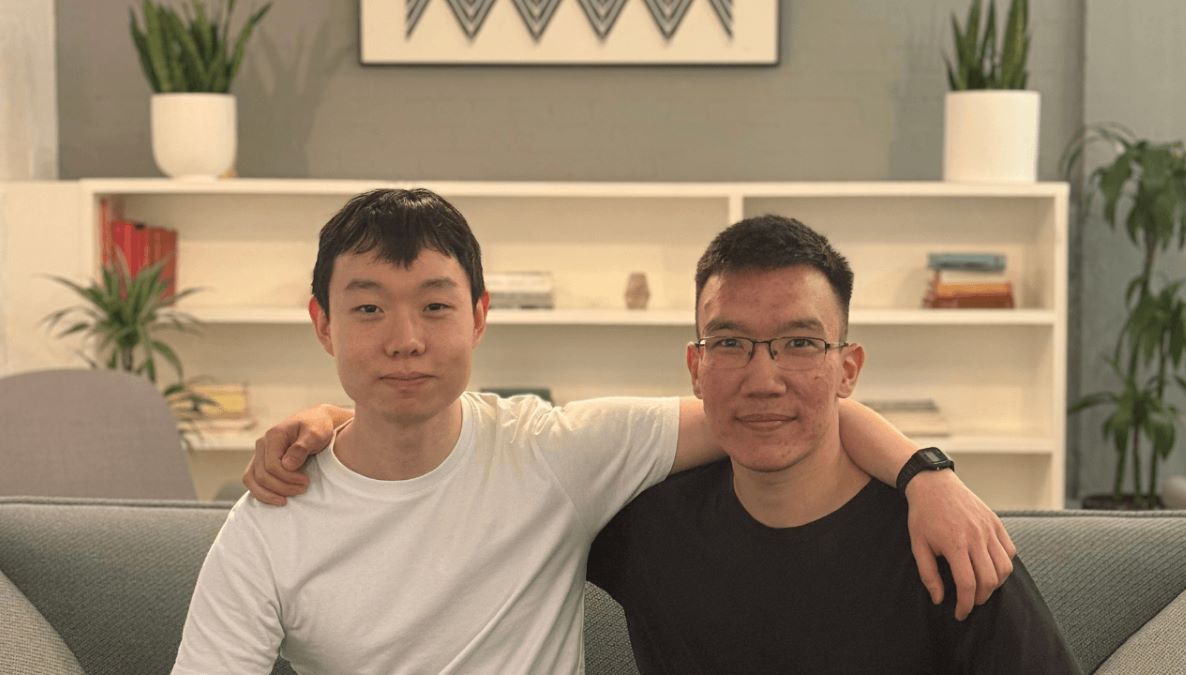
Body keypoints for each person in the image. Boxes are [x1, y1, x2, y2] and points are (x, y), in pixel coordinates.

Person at [177, 188, 1014, 673]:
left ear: (479, 316)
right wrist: (327, 422)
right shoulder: (271, 522)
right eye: (368, 309)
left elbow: (772, 410)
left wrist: (926, 473)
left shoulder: (554, 453)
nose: (405, 340)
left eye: (434, 306)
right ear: (322, 323)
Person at [585, 215, 1081, 673]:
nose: (764, 382)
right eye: (730, 344)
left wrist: (924, 473)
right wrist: (919, 467)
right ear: (696, 369)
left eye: (800, 343)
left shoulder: (944, 539)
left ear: (848, 370)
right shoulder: (644, 526)